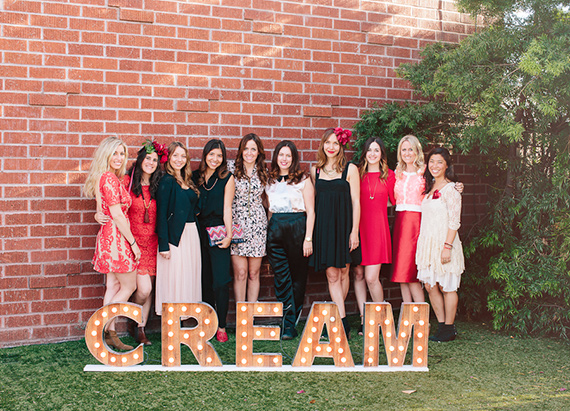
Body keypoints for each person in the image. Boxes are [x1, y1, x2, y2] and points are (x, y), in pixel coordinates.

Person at [391, 135, 463, 304]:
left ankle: (420, 314)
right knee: (401, 271)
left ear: (417, 151)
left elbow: (443, 184)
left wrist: (458, 186)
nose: (407, 153)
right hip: (400, 222)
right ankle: (407, 313)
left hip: (418, 223)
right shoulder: (396, 173)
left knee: (413, 272)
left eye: (411, 149)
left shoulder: (425, 171)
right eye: (403, 149)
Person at [84, 136, 140, 351]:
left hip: (109, 236)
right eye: (114, 153)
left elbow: (101, 211)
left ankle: (108, 333)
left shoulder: (104, 177)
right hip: (117, 238)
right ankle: (105, 327)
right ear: (106, 155)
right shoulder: (108, 178)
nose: (119, 157)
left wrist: (98, 214)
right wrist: (133, 243)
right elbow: (116, 214)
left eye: (122, 153)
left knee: (113, 286)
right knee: (129, 286)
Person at [310, 127, 360, 338]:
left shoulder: (350, 169)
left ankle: (336, 317)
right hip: (325, 228)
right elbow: (313, 203)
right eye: (327, 143)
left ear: (341, 146)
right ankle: (342, 323)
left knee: (344, 273)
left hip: (345, 226)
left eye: (335, 143)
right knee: (332, 275)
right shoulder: (315, 171)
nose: (331, 147)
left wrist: (354, 231)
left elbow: (356, 202)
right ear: (323, 145)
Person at [265, 141, 315, 339]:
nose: (284, 159)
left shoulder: (303, 179)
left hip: (297, 228)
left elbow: (311, 211)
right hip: (276, 229)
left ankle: (290, 323)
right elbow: (269, 209)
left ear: (293, 158)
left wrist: (308, 238)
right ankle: (287, 320)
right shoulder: (270, 180)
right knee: (281, 278)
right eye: (281, 155)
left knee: (297, 277)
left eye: (288, 155)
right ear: (276, 157)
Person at [416, 147, 465, 342]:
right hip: (429, 245)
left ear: (446, 166)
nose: (434, 165)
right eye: (432, 161)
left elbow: (454, 221)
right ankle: (442, 325)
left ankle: (449, 328)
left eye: (439, 162)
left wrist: (447, 247)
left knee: (447, 286)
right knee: (430, 286)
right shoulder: (429, 188)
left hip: (445, 243)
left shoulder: (451, 189)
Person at [193, 139, 236, 343]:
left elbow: (227, 208)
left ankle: (221, 325)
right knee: (204, 280)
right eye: (212, 154)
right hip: (197, 231)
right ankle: (207, 323)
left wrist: (229, 235)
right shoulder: (195, 177)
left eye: (219, 155)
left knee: (220, 281)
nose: (215, 159)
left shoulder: (227, 178)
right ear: (205, 155)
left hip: (218, 229)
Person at [353, 137, 395, 334]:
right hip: (358, 228)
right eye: (369, 150)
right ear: (365, 153)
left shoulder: (390, 175)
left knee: (371, 277)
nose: (372, 153)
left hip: (377, 229)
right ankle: (365, 320)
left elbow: (396, 200)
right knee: (358, 274)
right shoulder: (357, 174)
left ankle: (381, 318)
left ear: (382, 154)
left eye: (376, 150)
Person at [155, 142, 201, 320]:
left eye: (183, 156)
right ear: (168, 158)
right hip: (175, 237)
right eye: (175, 155)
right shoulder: (166, 181)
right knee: (175, 277)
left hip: (191, 234)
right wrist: (163, 244)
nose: (179, 160)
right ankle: (172, 320)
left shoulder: (188, 181)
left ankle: (185, 316)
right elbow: (161, 214)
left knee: (188, 276)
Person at [227, 133, 268, 303]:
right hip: (237, 225)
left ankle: (250, 313)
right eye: (246, 149)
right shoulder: (231, 168)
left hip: (258, 227)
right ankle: (241, 313)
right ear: (241, 151)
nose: (249, 153)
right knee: (241, 273)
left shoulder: (263, 172)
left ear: (258, 152)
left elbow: (266, 199)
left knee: (253, 273)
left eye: (253, 149)